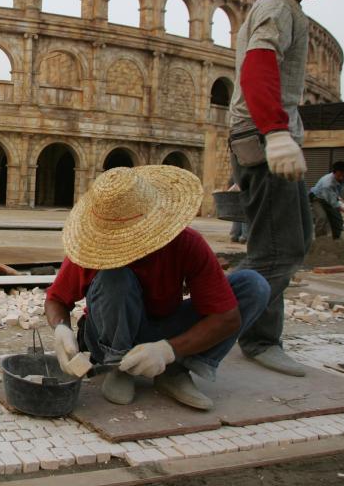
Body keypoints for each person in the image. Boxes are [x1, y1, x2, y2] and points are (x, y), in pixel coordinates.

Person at [227, 0, 344, 377]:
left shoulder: (283, 8)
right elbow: (257, 66)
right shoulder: (279, 8)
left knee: (294, 241)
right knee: (277, 249)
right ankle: (234, 333)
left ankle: (244, 329)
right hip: (262, 137)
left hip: (268, 135)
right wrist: (274, 132)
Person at [47, 166, 269, 410]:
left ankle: (176, 369)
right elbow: (56, 299)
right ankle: (118, 366)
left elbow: (227, 317)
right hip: (110, 333)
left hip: (165, 328)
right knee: (114, 275)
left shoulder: (186, 243)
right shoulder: (93, 248)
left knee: (253, 286)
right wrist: (61, 329)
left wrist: (168, 350)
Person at [310, 161, 344, 239]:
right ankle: (319, 241)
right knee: (322, 218)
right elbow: (334, 203)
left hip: (331, 197)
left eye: (343, 175)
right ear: (333, 173)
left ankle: (336, 240)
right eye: (339, 176)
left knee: (338, 220)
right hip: (318, 199)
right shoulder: (327, 184)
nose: (341, 178)